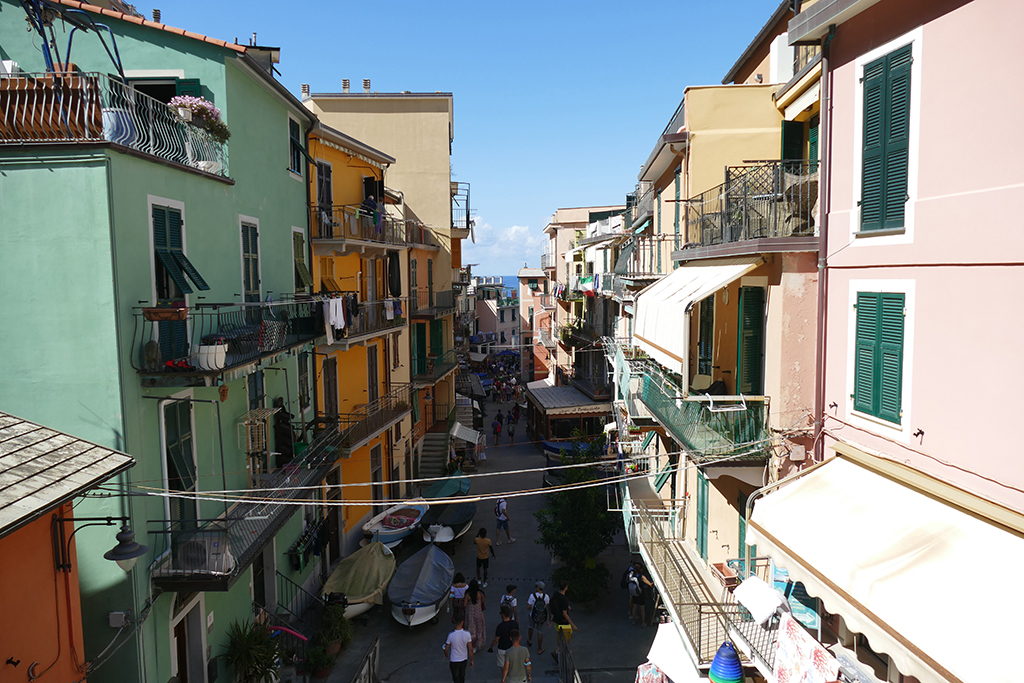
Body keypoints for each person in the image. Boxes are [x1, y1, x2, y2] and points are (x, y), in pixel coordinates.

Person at [550, 580, 577, 659]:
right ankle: (558, 651)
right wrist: (573, 625)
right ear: (566, 587)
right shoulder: (564, 599)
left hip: (556, 620)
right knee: (568, 636)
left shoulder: (556, 594)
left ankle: (560, 649)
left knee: (561, 636)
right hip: (563, 622)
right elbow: (564, 614)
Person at [487, 604, 519, 671]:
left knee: (503, 666)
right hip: (513, 647)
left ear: (503, 615)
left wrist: (491, 647)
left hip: (503, 648)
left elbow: (496, 640)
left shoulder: (500, 626)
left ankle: (505, 676)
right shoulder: (514, 623)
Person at [444, 617, 474, 683]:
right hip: (463, 659)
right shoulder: (467, 634)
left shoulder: (451, 635)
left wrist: (446, 654)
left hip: (454, 659)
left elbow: (446, 648)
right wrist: (471, 660)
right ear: (463, 622)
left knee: (456, 678)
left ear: (454, 621)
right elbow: (471, 649)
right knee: (462, 677)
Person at [525, 581, 549, 654]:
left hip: (533, 615)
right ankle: (539, 649)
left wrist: (532, 609)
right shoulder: (546, 596)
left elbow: (527, 607)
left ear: (538, 588)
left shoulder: (532, 596)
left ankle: (529, 640)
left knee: (531, 627)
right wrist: (549, 616)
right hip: (542, 617)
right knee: (540, 632)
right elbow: (548, 607)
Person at [465, 579, 488, 653]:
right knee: (479, 628)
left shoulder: (468, 595)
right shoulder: (480, 594)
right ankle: (478, 644)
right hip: (479, 613)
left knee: (472, 628)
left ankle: (471, 642)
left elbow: (464, 604)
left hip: (471, 613)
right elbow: (483, 602)